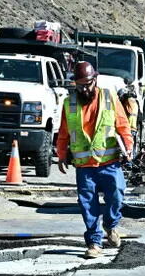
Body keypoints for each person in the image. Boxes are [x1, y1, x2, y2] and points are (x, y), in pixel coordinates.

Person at [57, 62, 133, 259]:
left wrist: (129, 147)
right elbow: (64, 132)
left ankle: (111, 224)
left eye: (88, 84)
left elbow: (122, 124)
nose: (84, 89)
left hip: (109, 162)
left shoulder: (109, 97)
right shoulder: (69, 103)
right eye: (80, 85)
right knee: (87, 204)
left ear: (95, 80)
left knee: (116, 196)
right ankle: (94, 241)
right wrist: (61, 155)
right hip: (85, 166)